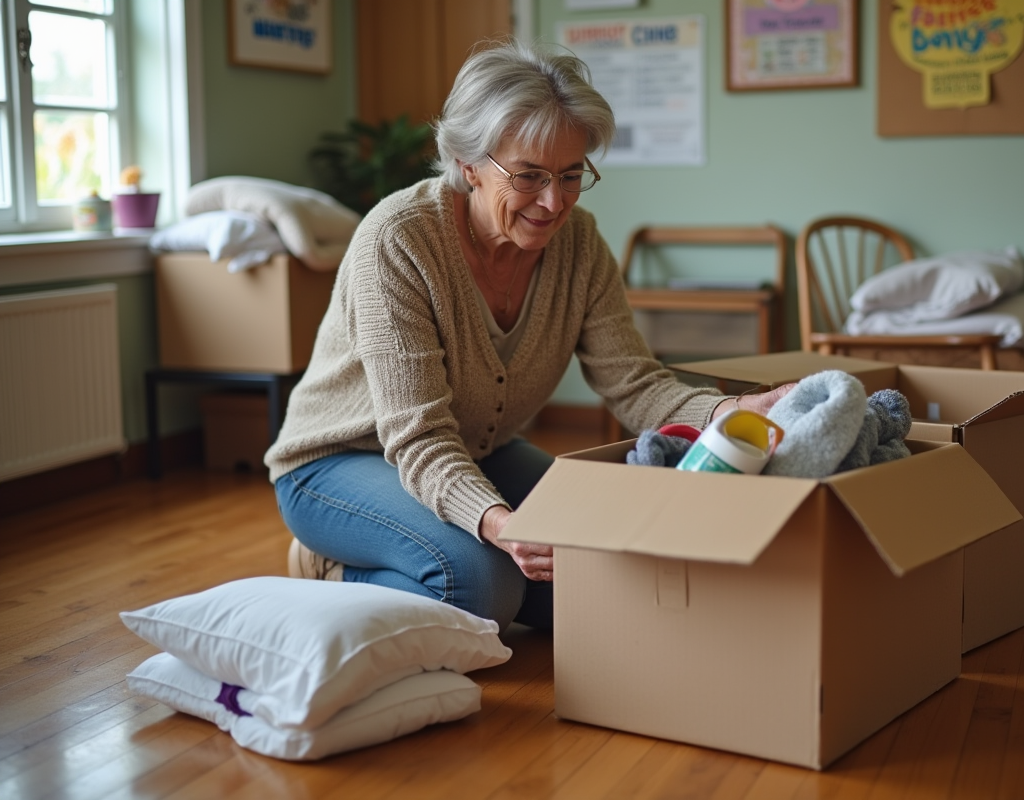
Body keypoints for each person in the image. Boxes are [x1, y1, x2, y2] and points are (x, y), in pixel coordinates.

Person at [265, 39, 791, 633]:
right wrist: (498, 524)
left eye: (571, 175)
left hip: (474, 453)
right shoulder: (399, 239)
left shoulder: (581, 243)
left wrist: (734, 409)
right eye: (530, 176)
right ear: (469, 163)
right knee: (484, 585)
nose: (553, 202)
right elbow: (417, 438)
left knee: (601, 567)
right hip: (340, 463)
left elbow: (634, 383)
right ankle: (329, 568)